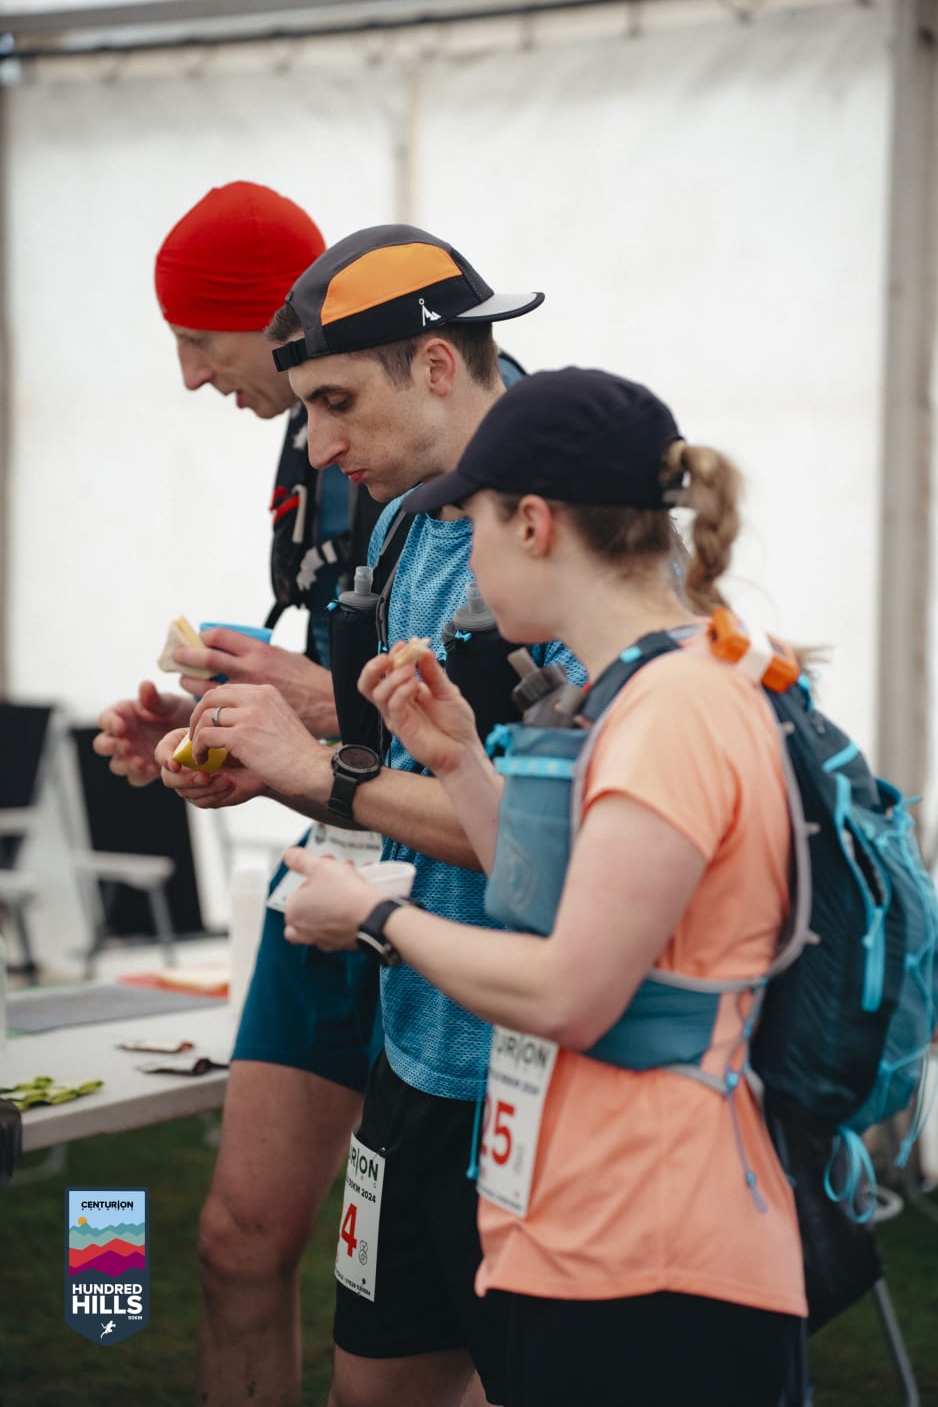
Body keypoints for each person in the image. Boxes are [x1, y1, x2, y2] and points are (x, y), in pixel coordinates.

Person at [278, 367, 808, 1407]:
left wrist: (376, 916)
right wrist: (460, 762)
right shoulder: (650, 684)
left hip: (655, 1245)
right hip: (603, 1225)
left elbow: (572, 988)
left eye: (471, 525)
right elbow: (558, 899)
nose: (462, 561)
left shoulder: (671, 710)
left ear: (531, 524)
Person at [153, 225, 583, 1407]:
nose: (320, 447)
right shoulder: (400, 527)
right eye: (307, 409)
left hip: (534, 1074)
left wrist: (314, 775)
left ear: (438, 365)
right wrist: (252, 755)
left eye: (336, 403)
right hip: (416, 1047)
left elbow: (539, 850)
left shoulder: (558, 533)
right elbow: (393, 764)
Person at [93, 182, 381, 1407]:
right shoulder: (309, 446)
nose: (188, 378)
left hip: (443, 914)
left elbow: (496, 732)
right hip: (323, 879)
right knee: (236, 1243)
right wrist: (217, 738)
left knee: (419, 1319)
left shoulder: (474, 447)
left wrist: (308, 701)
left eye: (198, 341)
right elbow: (347, 712)